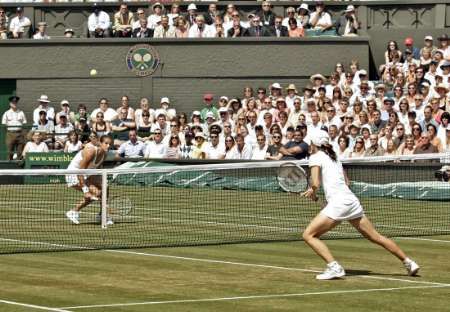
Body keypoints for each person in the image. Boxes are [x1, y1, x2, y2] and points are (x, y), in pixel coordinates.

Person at [301, 130, 419, 280]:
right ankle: (409, 262)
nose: (309, 145)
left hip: (339, 203)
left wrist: (312, 190)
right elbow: (346, 182)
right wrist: (317, 193)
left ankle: (333, 267)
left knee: (308, 235)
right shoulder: (334, 156)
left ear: (314, 143)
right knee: (376, 236)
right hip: (350, 200)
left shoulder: (315, 157)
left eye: (310, 142)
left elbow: (316, 183)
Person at [65, 135, 113, 225]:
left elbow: (96, 169)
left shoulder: (104, 154)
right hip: (73, 174)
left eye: (110, 144)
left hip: (87, 174)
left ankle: (102, 214)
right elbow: (80, 171)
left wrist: (103, 184)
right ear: (100, 143)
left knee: (105, 188)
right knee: (96, 193)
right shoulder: (90, 151)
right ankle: (74, 211)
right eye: (106, 143)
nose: (108, 146)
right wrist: (86, 191)